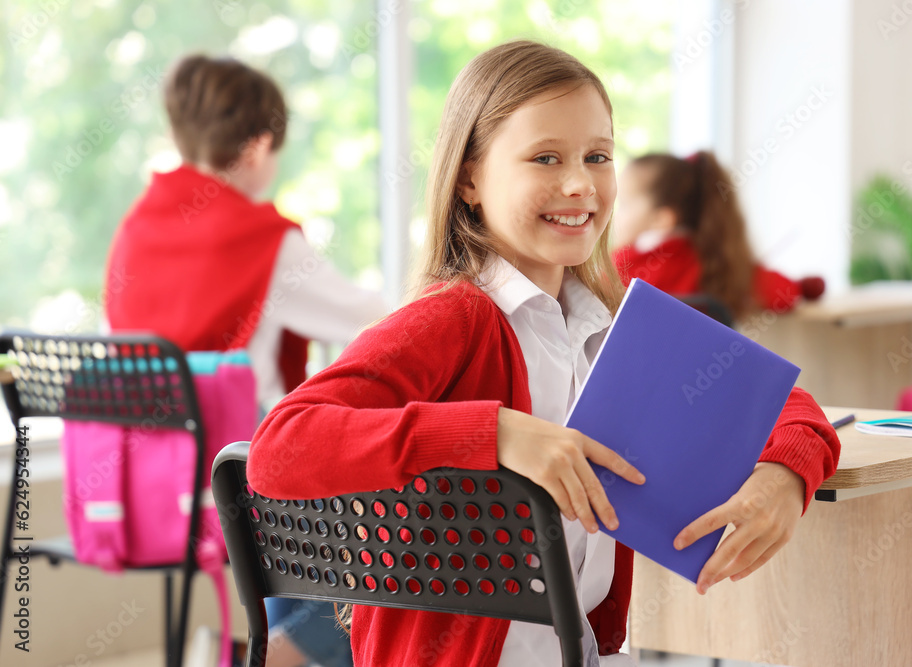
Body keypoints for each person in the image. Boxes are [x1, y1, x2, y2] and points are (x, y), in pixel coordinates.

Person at [247, 41, 841, 667]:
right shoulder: (451, 319)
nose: (580, 183)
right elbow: (279, 448)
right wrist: (497, 432)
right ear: (470, 178)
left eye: (598, 156)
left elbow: (786, 406)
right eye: (545, 157)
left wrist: (783, 478)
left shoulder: (611, 321)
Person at [104, 54, 383, 667]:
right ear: (258, 147)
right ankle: (277, 654)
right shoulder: (263, 239)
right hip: (238, 467)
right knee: (376, 562)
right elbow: (375, 321)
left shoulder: (137, 227)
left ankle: (257, 646)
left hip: (149, 472)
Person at [613, 151, 825, 321]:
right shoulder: (719, 262)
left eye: (623, 205)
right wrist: (803, 287)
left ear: (662, 219)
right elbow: (781, 293)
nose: (615, 215)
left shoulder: (619, 266)